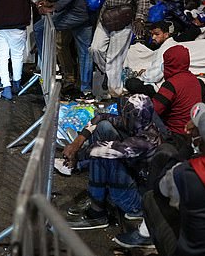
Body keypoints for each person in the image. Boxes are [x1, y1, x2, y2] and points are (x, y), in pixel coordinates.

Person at [121, 103, 205, 253]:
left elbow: (160, 189)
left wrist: (186, 148)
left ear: (199, 140)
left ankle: (145, 235)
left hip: (190, 251)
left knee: (150, 198)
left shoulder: (185, 173)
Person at [64, 94, 162, 230]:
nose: (122, 118)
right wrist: (78, 141)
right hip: (135, 178)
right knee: (103, 126)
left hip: (137, 201)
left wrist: (77, 154)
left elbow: (104, 150)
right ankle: (100, 196)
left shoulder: (146, 139)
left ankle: (97, 212)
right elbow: (100, 117)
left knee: (102, 155)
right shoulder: (142, 124)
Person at [90, 0, 150, 98]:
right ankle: (109, 74)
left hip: (124, 18)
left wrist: (140, 19)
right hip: (106, 15)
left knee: (114, 59)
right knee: (95, 49)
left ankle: (115, 93)